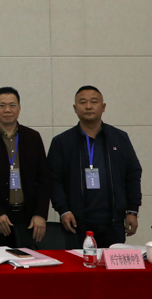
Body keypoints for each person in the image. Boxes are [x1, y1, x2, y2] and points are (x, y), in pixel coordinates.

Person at [48, 86, 142, 248]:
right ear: (75, 108)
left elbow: (133, 174)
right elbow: (54, 179)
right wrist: (63, 210)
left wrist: (132, 211)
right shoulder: (62, 142)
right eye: (82, 102)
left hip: (113, 222)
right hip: (76, 222)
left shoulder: (119, 138)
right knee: (79, 263)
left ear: (103, 107)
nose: (88, 106)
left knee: (111, 263)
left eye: (94, 102)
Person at [0, 87, 50, 246]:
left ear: (19, 108)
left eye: (12, 105)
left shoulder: (33, 137)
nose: (7, 110)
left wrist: (41, 214)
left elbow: (44, 179)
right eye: (2, 105)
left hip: (29, 219)